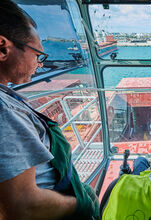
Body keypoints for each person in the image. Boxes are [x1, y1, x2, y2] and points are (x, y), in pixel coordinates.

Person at [0, 1, 99, 219]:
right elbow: (23, 205)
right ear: (3, 48)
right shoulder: (3, 110)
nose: (40, 64)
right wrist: (81, 204)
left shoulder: (6, 96)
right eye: (37, 55)